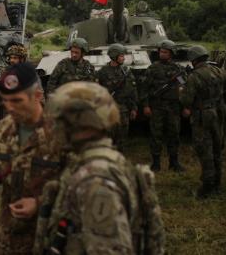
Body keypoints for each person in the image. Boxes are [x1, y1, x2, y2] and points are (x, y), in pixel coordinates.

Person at [34, 81, 165, 255]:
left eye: (56, 122)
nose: (51, 129)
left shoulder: (95, 181)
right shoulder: (105, 162)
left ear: (77, 124)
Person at [0, 62, 62, 255]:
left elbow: (81, 189)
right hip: (8, 239)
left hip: (52, 239)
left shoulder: (63, 134)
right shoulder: (2, 130)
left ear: (38, 96)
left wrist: (40, 203)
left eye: (17, 101)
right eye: (5, 101)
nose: (9, 107)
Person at [181, 45, 226, 198]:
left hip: (203, 116)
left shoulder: (194, 77)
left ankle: (207, 188)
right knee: (216, 149)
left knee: (205, 151)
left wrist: (181, 91)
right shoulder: (218, 71)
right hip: (218, 112)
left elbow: (186, 100)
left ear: (193, 60)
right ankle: (217, 184)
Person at [141, 39, 186, 172]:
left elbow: (183, 85)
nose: (162, 54)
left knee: (174, 134)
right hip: (157, 107)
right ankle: (155, 163)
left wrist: (184, 105)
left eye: (165, 52)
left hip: (173, 107)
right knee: (156, 135)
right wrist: (146, 105)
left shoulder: (178, 69)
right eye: (161, 52)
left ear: (171, 53)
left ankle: (174, 162)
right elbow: (144, 88)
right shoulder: (153, 68)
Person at [96, 43, 138, 152]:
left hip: (123, 109)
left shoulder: (126, 71)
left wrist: (134, 108)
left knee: (122, 138)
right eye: (121, 56)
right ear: (114, 56)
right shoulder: (102, 72)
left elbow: (132, 90)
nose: (124, 58)